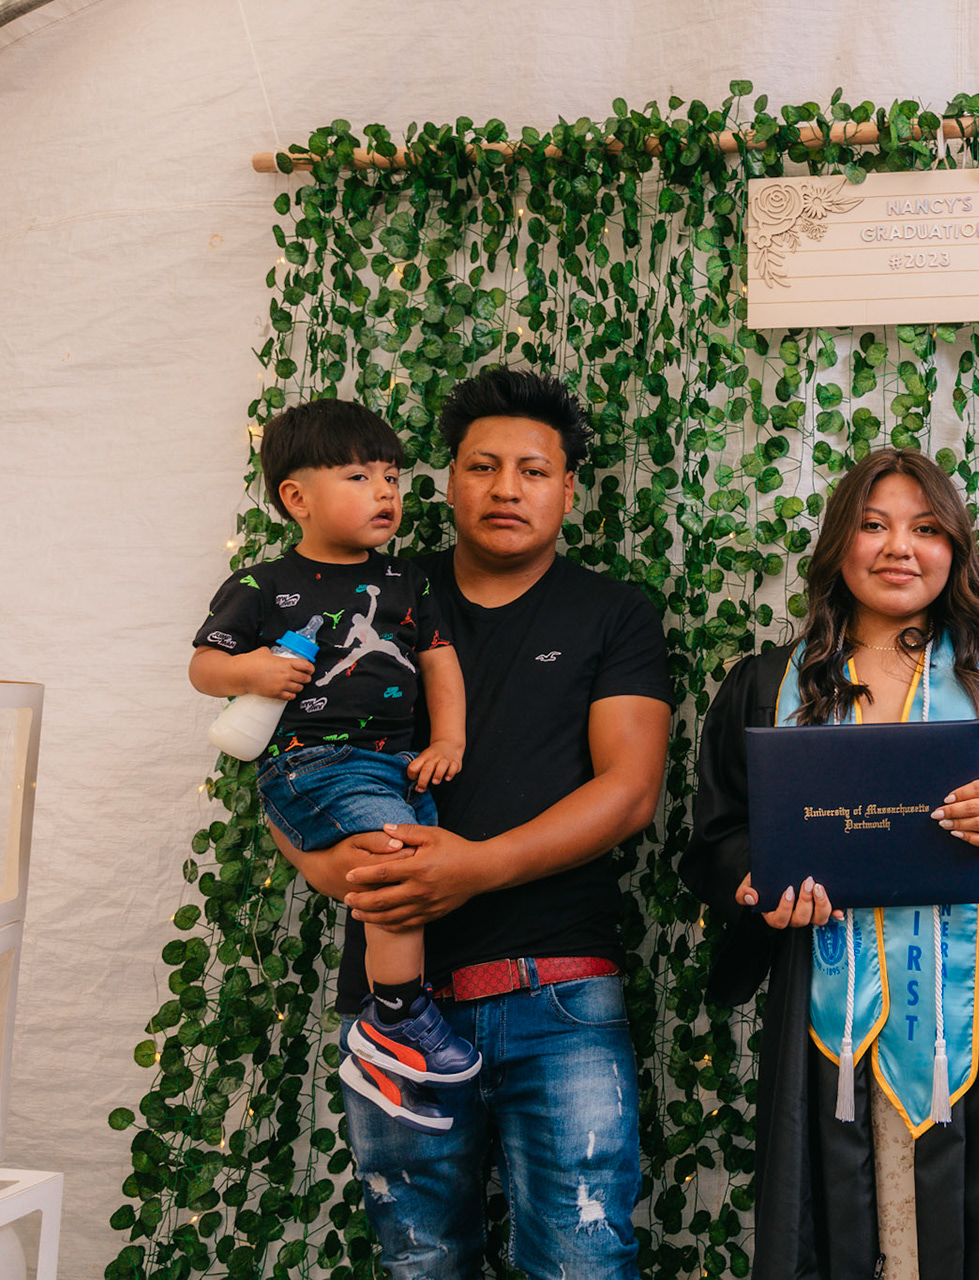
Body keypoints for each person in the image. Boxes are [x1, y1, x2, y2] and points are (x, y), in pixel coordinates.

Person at [682, 447, 979, 1280]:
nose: (898, 548)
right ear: (837, 544)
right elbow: (718, 835)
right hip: (825, 1014)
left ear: (954, 548)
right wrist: (753, 882)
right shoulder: (769, 686)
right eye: (872, 525)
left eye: (925, 529)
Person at [270, 368, 672, 1279]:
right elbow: (285, 754)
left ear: (568, 488)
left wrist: (477, 867)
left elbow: (629, 791)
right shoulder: (365, 595)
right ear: (448, 479)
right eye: (483, 467)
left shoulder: (612, 613)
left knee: (583, 1260)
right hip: (398, 1007)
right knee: (420, 1261)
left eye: (534, 470)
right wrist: (324, 867)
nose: (506, 489)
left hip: (560, 993)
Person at [190, 399, 479, 1133]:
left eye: (391, 477)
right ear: (297, 497)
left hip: (395, 764)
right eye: (358, 477)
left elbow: (439, 662)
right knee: (394, 862)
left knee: (417, 878)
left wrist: (448, 741)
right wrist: (253, 670)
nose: (385, 492)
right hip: (311, 763)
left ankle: (388, 1051)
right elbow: (204, 667)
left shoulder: (407, 582)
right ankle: (397, 1016)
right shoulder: (261, 585)